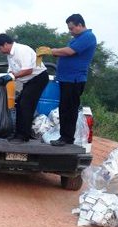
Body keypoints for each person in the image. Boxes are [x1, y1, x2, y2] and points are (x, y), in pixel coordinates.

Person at [47, 14, 97, 146]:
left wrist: (52, 51)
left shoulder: (88, 37)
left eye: (72, 28)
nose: (70, 31)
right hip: (67, 79)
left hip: (74, 80)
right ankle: (64, 136)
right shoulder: (78, 38)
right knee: (64, 108)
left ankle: (67, 138)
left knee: (69, 109)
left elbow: (69, 52)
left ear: (80, 25)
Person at [0, 33, 49, 143]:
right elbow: (12, 71)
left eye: (0, 49)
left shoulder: (22, 50)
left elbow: (28, 70)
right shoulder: (10, 55)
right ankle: (18, 134)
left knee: (26, 105)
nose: (0, 52)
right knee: (19, 104)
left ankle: (23, 136)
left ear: (5, 44)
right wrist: (5, 78)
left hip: (38, 78)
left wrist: (12, 76)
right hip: (28, 81)